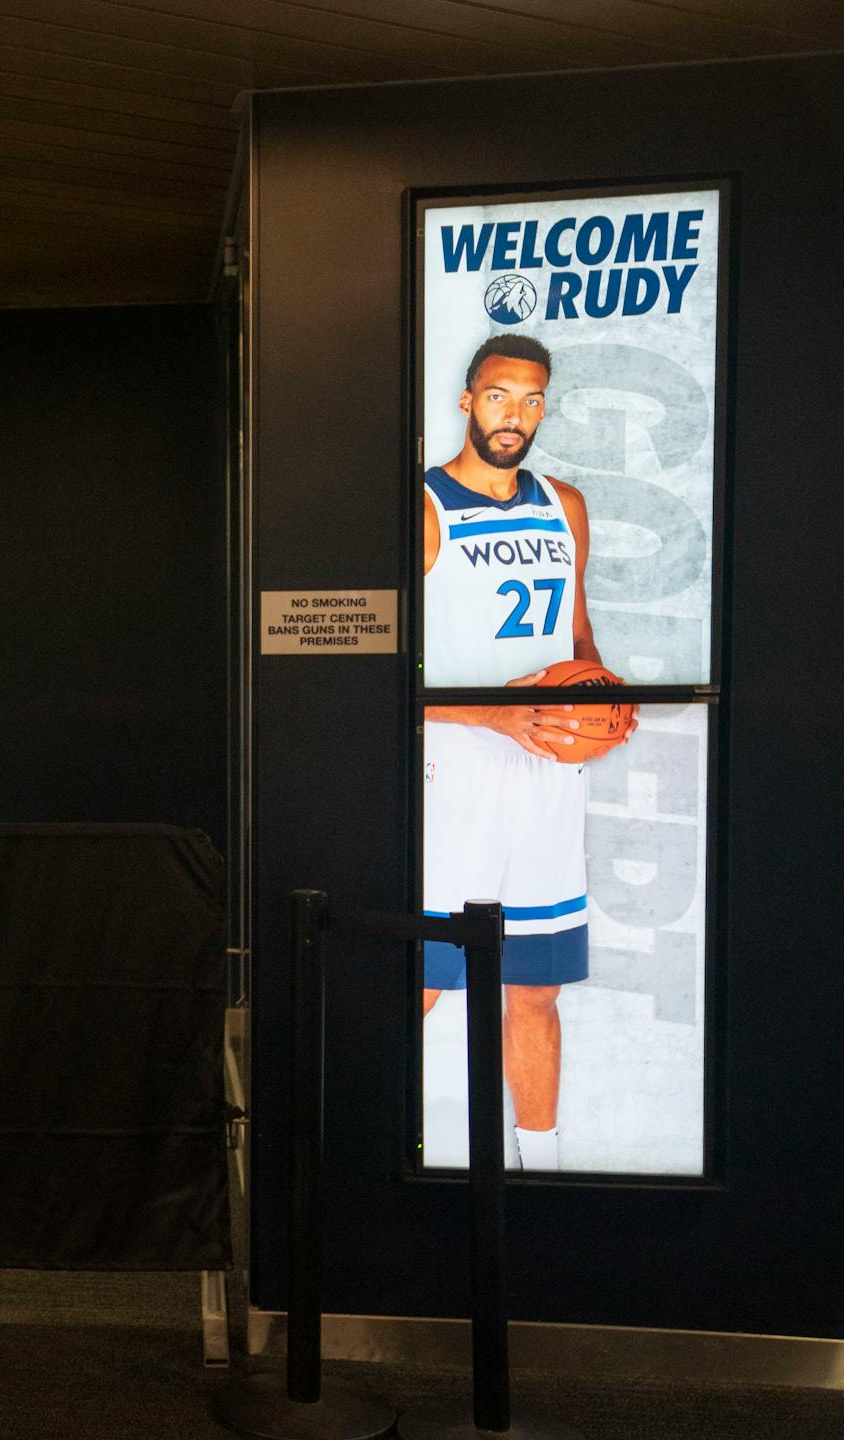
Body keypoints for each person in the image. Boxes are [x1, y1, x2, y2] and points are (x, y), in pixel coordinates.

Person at [420, 333, 633, 1172]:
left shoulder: (564, 503)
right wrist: (497, 715)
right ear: (468, 400)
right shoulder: (423, 506)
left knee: (534, 987)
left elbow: (576, 632)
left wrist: (606, 700)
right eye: (500, 395)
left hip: (549, 775)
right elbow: (389, 673)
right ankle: (368, 1149)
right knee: (428, 981)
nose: (517, 415)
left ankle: (542, 1168)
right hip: (457, 773)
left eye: (533, 399)